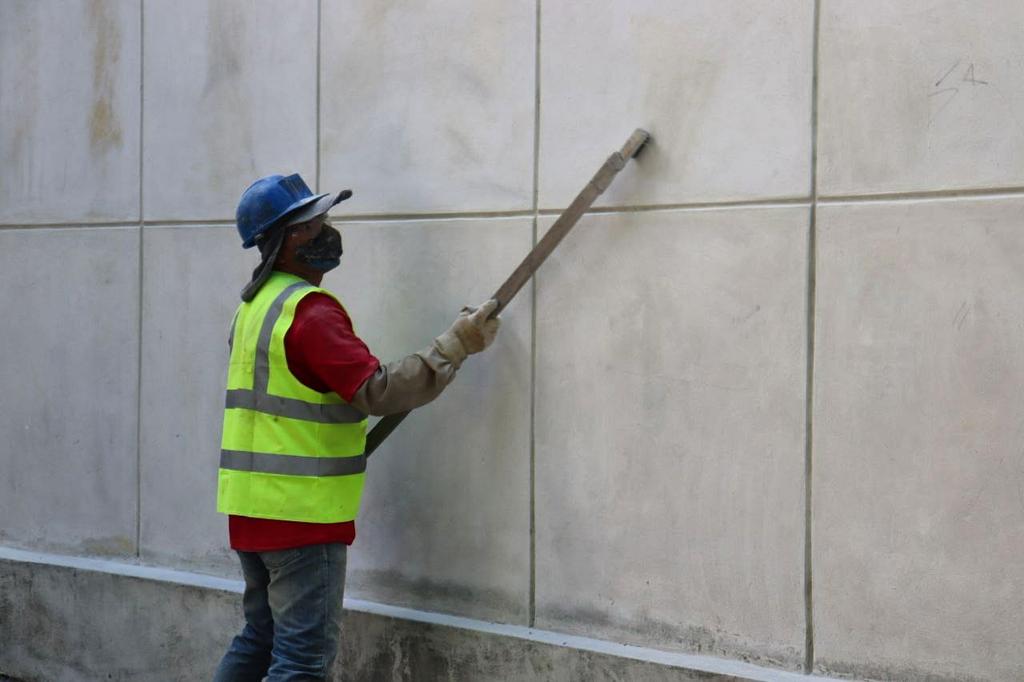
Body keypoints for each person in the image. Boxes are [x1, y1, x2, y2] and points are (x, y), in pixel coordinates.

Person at [212, 173, 500, 681]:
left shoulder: (253, 306)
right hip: (301, 517)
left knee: (260, 639)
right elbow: (377, 391)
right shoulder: (309, 312)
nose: (326, 230)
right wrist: (454, 347)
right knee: (301, 661)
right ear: (286, 240)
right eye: (313, 223)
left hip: (251, 510)